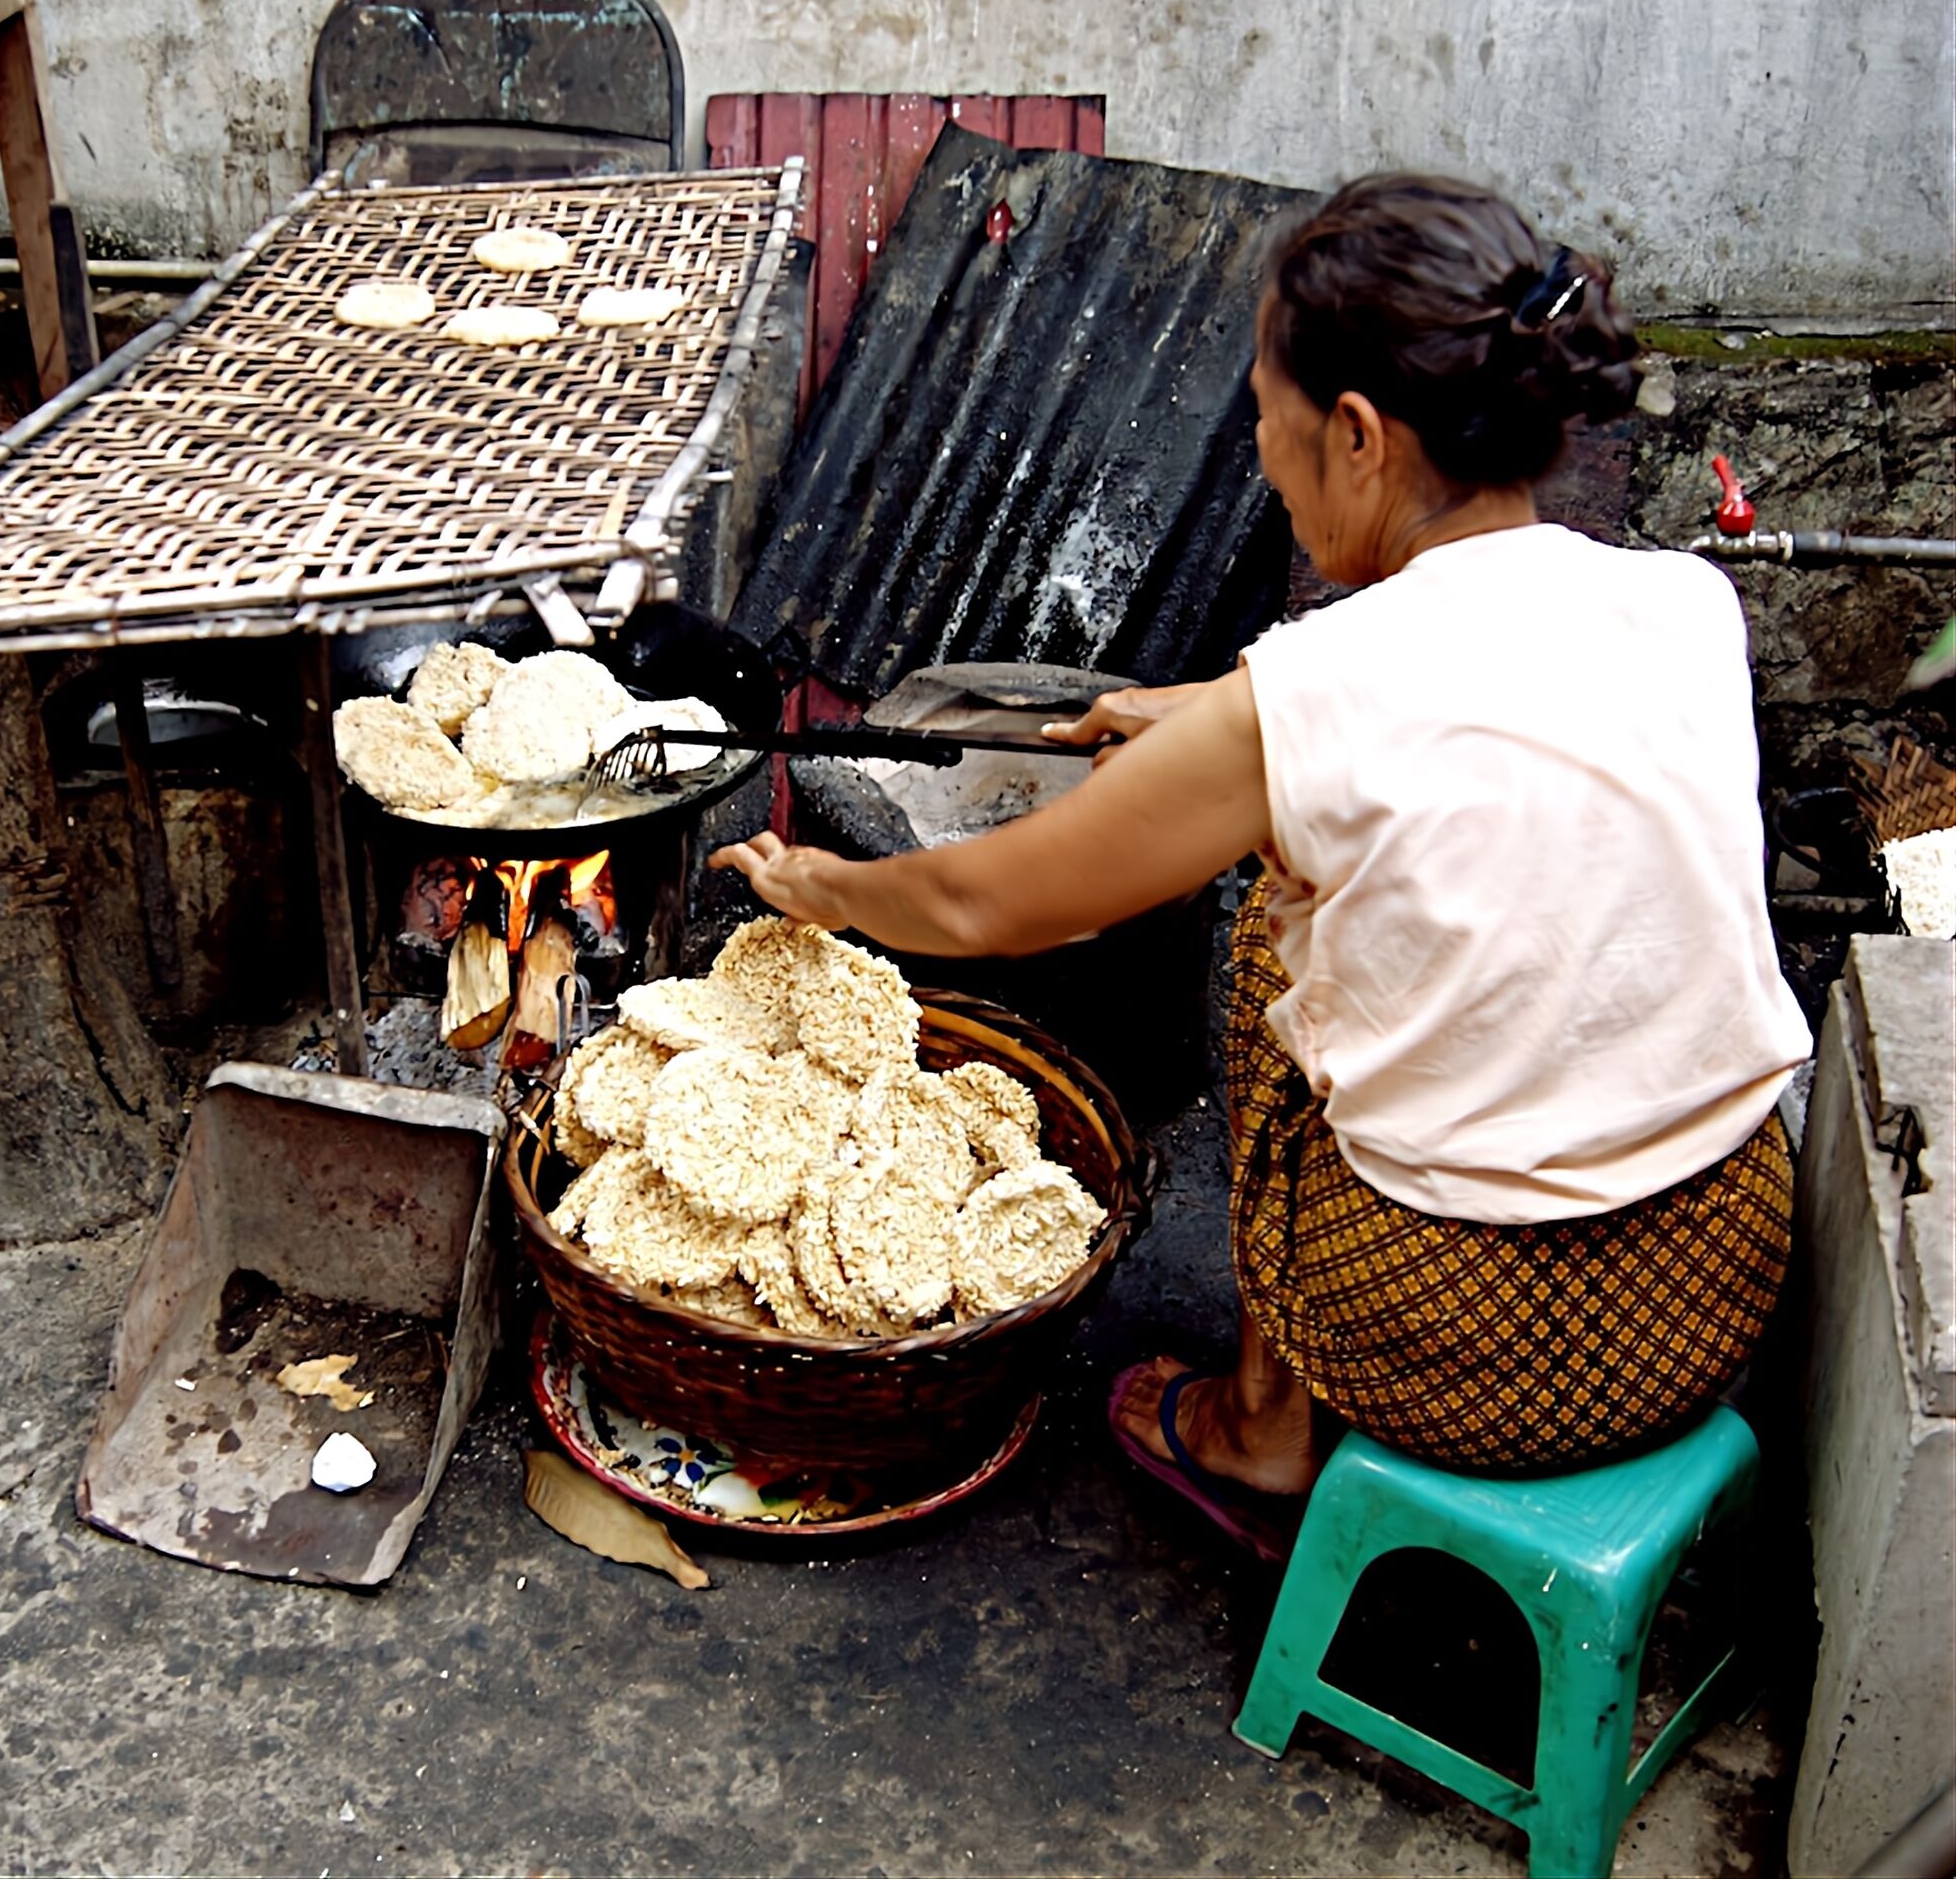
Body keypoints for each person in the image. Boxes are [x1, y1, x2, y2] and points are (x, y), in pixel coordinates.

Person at [711, 172, 1810, 1557]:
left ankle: (1263, 1429)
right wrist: (1209, 717)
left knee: (1266, 945)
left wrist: (813, 889)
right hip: (1713, 1289)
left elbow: (984, 900)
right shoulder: (1681, 604)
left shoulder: (1315, 697)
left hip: (1471, 1350)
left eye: (1270, 429)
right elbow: (1464, 705)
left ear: (1356, 435)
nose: (1268, 467)